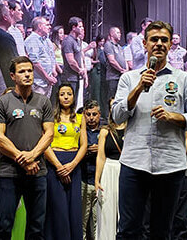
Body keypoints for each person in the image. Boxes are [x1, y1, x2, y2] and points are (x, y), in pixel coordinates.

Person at [112, 20, 187, 239]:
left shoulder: (184, 79)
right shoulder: (129, 78)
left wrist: (176, 117)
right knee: (128, 230)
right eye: (154, 39)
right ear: (145, 44)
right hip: (134, 163)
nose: (159, 44)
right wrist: (137, 89)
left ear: (171, 45)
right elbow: (117, 117)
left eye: (164, 40)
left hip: (170, 165)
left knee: (163, 231)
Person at [0, 56, 54, 240]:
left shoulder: (44, 101)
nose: (27, 75)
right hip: (10, 173)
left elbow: (49, 134)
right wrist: (23, 158)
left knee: (36, 227)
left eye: (30, 71)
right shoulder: (2, 102)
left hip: (38, 172)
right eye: (22, 71)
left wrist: (33, 156)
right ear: (13, 76)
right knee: (4, 225)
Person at [44, 83, 88, 240]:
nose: (66, 97)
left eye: (69, 94)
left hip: (74, 164)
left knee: (73, 207)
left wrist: (72, 165)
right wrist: (59, 166)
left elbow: (84, 145)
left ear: (74, 96)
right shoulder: (50, 117)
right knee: (58, 207)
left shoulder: (80, 118)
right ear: (57, 97)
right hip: (54, 163)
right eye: (62, 94)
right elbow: (45, 145)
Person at [95, 98, 126, 240]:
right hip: (109, 170)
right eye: (112, 105)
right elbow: (101, 156)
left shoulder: (131, 128)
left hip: (126, 169)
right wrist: (97, 180)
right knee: (106, 210)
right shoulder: (105, 131)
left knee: (125, 210)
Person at [81, 100, 102, 240]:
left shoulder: (105, 132)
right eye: (88, 114)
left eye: (94, 114)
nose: (91, 118)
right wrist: (86, 150)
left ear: (99, 115)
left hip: (100, 183)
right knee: (81, 222)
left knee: (98, 223)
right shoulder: (80, 132)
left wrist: (100, 149)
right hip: (83, 181)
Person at [24, 16, 57, 98]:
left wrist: (52, 72)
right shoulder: (32, 40)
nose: (50, 27)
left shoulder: (46, 40)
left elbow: (51, 57)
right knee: (35, 109)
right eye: (47, 25)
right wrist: (47, 77)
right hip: (37, 83)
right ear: (40, 26)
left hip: (47, 82)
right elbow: (34, 62)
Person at [61, 16, 86, 97]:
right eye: (80, 26)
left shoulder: (76, 41)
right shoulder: (68, 41)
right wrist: (79, 70)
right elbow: (71, 61)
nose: (82, 28)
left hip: (75, 77)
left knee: (74, 103)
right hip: (69, 78)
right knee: (68, 103)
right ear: (74, 28)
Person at [104, 26, 128, 103]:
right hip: (112, 77)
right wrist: (121, 70)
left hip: (121, 77)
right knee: (112, 99)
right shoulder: (108, 44)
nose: (120, 34)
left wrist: (126, 70)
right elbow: (112, 61)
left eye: (120, 33)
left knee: (120, 98)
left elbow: (125, 60)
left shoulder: (120, 47)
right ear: (112, 33)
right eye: (118, 32)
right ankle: (109, 114)